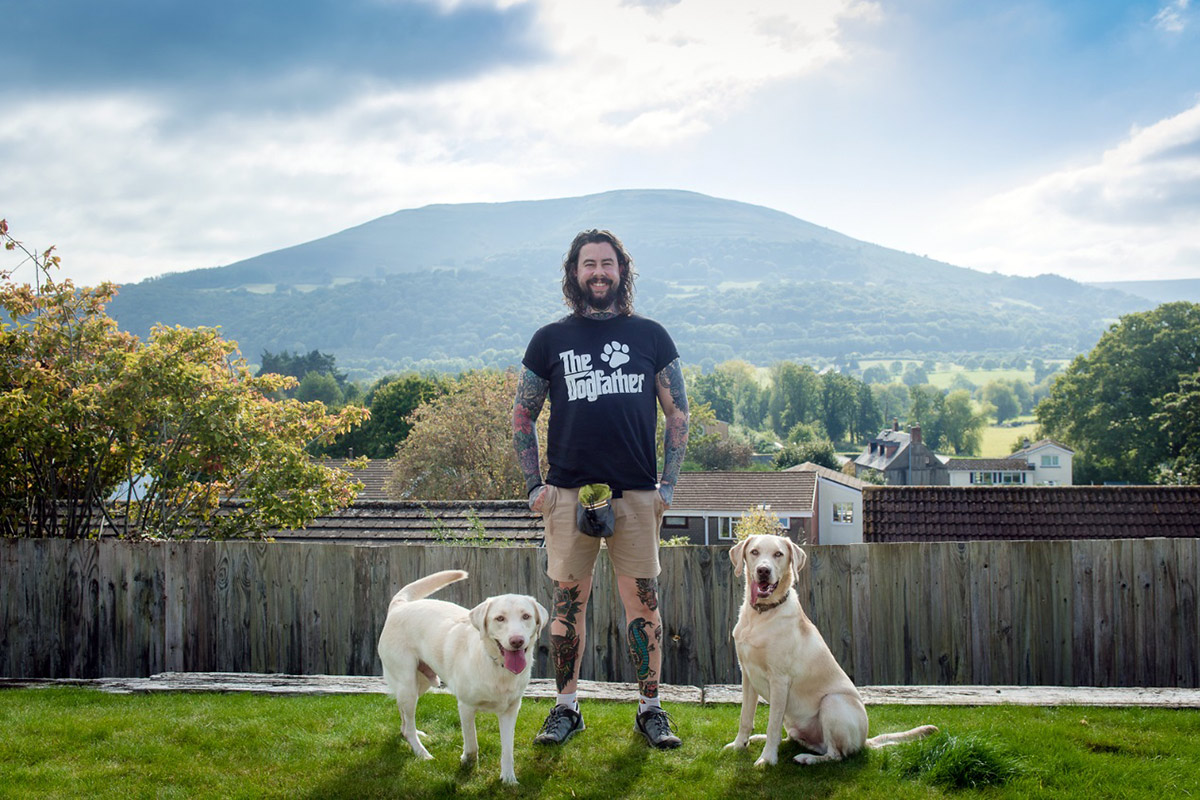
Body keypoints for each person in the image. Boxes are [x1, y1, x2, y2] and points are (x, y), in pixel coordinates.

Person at [512, 228, 690, 750]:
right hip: (567, 494)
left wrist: (668, 486)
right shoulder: (549, 339)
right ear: (574, 272)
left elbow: (678, 414)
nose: (598, 272)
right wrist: (533, 486)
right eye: (588, 264)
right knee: (567, 606)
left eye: (607, 263)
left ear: (622, 270)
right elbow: (523, 415)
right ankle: (566, 709)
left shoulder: (652, 336)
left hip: (635, 494)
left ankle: (651, 710)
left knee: (644, 607)